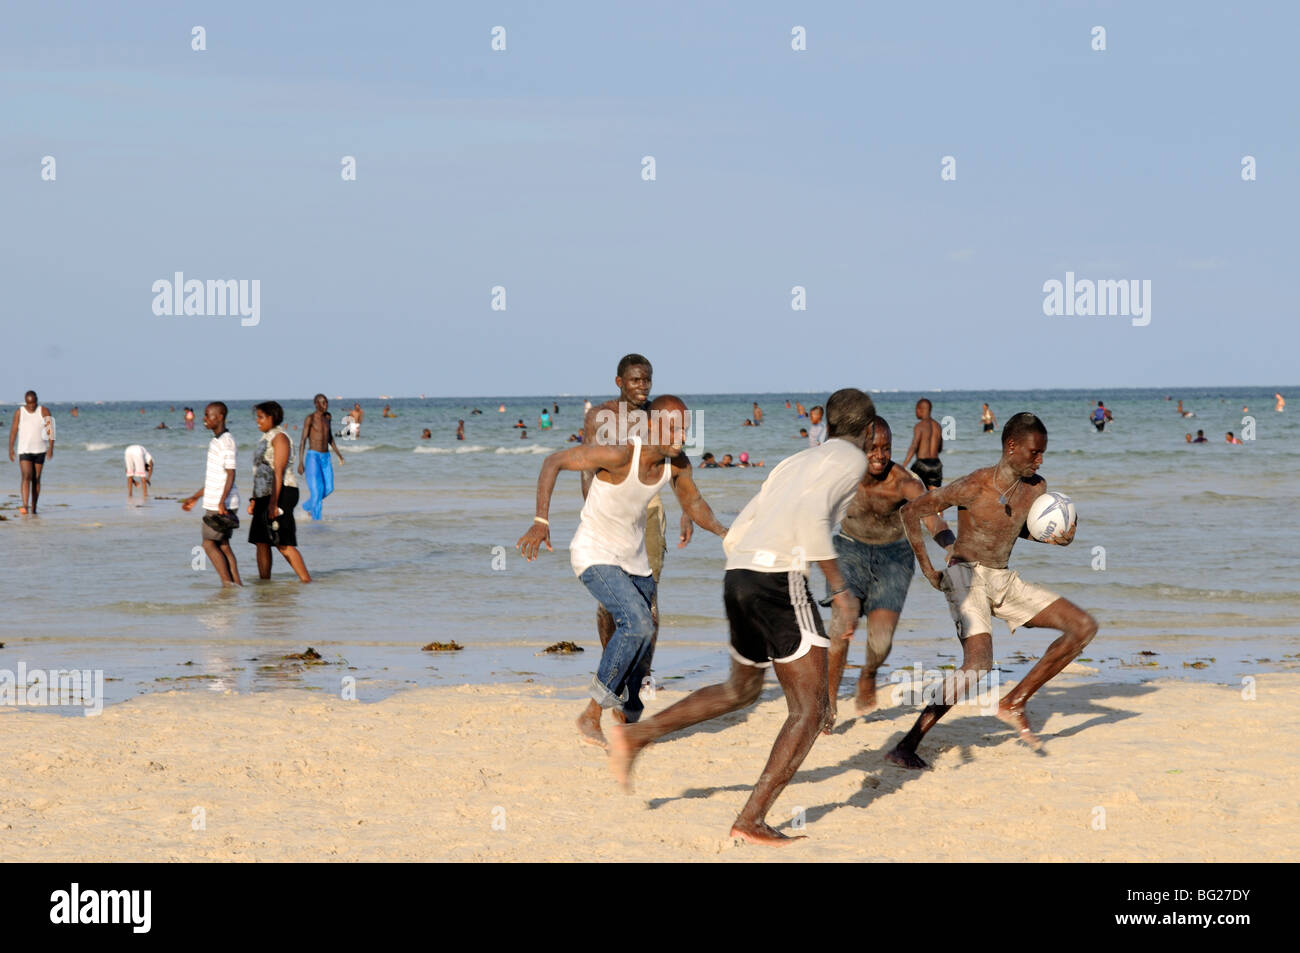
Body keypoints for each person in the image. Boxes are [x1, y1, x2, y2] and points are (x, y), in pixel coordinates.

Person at [607, 388, 878, 845]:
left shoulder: (796, 461)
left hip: (740, 572)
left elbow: (751, 517)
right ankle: (750, 819)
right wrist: (840, 588)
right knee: (811, 711)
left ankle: (637, 736)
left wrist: (744, 564)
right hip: (776, 578)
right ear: (868, 432)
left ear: (827, 425)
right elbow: (812, 521)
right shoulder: (851, 460)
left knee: (741, 689)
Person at [886, 412, 1096, 769]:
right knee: (979, 664)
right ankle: (906, 745)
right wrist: (927, 569)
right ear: (1011, 446)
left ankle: (1014, 702)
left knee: (1083, 628)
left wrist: (1055, 539)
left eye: (1043, 453)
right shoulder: (973, 485)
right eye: (1034, 452)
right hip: (964, 574)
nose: (1039, 460)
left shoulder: (1037, 488)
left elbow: (1016, 527)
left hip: (1002, 577)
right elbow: (912, 512)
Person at [518, 394, 727, 747]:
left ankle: (627, 718)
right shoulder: (619, 453)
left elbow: (692, 502)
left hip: (635, 561)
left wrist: (725, 533)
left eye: (685, 428)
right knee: (638, 623)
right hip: (593, 553)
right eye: (672, 426)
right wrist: (541, 520)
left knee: (643, 646)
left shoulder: (675, 463)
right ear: (650, 425)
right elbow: (553, 461)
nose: (680, 435)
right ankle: (591, 714)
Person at [570, 354, 685, 746]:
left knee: (648, 602)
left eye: (647, 380)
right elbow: (587, 467)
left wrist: (688, 508)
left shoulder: (659, 414)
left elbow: (676, 463)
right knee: (613, 607)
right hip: (608, 513)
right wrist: (593, 514)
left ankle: (635, 689)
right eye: (635, 380)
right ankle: (613, 679)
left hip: (649, 511)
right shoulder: (601, 418)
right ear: (619, 381)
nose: (643, 387)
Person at [821, 417, 955, 713]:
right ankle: (828, 703)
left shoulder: (905, 482)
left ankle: (868, 673)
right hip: (849, 550)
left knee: (880, 642)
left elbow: (931, 517)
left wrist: (950, 546)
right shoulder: (842, 475)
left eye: (886, 448)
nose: (880, 455)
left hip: (894, 557)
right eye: (872, 448)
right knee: (840, 626)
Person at [180, 402, 242, 586]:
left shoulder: (226, 442)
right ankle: (236, 585)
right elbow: (215, 478)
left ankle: (226, 584)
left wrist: (221, 502)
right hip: (217, 501)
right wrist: (195, 497)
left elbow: (231, 473)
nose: (204, 419)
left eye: (208, 415)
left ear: (220, 417)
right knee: (223, 545)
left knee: (208, 544)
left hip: (221, 504)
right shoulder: (216, 441)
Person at [248, 401, 310, 582]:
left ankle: (306, 581)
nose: (258, 421)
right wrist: (254, 499)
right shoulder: (265, 438)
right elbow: (259, 471)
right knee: (261, 541)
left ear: (272, 418)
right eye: (257, 417)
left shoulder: (280, 437)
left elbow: (279, 472)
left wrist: (274, 504)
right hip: (264, 495)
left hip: (282, 493)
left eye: (261, 417)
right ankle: (264, 584)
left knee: (282, 541)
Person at [299, 394, 346, 521]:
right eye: (323, 403)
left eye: (326, 402)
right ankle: (317, 523)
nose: (326, 405)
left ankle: (306, 506)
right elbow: (303, 440)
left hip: (326, 457)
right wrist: (300, 462)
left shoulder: (328, 417)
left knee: (329, 488)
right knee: (317, 491)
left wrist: (339, 455)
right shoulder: (310, 418)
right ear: (316, 404)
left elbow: (330, 438)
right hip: (313, 457)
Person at [8, 391, 55, 515]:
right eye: (29, 403)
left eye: (33, 403)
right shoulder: (19, 412)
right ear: (25, 401)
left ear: (37, 400)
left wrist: (51, 448)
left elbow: (51, 431)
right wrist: (10, 448)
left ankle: (34, 508)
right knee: (26, 476)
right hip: (24, 450)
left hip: (40, 450)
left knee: (36, 478)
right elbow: (13, 430)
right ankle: (25, 505)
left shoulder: (44, 411)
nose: (31, 406)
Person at [902, 398, 943, 488]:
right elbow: (940, 448)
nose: (915, 412)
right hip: (936, 465)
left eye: (916, 409)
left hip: (922, 464)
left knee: (912, 489)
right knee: (934, 494)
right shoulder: (938, 426)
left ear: (920, 409)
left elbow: (914, 446)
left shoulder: (919, 426)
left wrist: (904, 465)